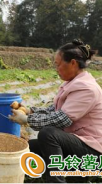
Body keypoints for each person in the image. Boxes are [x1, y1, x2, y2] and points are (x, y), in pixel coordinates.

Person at [9, 39, 102, 183]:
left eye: (58, 64)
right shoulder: (72, 83)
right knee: (29, 148)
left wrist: (27, 120)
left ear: (72, 63)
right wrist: (29, 111)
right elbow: (53, 110)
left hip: (92, 151)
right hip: (76, 143)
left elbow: (61, 119)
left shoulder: (87, 88)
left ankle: (56, 181)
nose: (56, 69)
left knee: (48, 134)